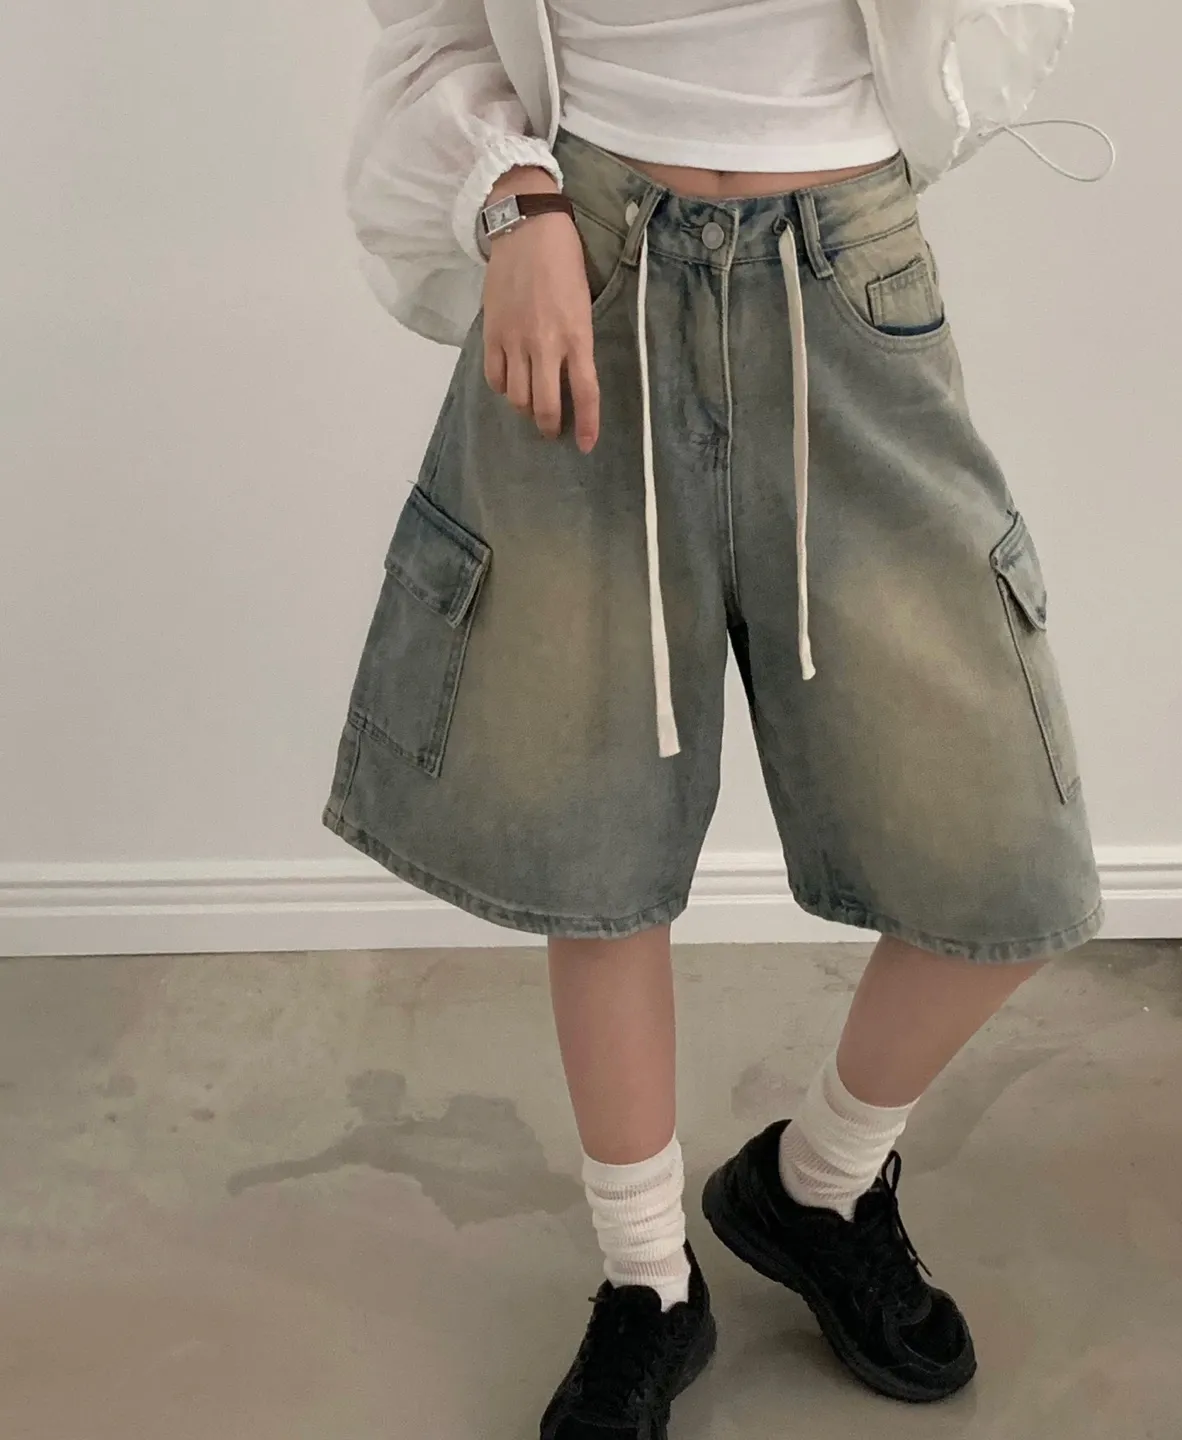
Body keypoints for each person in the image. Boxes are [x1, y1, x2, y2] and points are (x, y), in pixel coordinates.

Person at [323, 2, 1106, 1435]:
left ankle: (821, 1182)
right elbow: (433, 28)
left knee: (1010, 848)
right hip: (585, 258)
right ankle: (645, 1281)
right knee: (593, 830)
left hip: (850, 269)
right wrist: (510, 199)